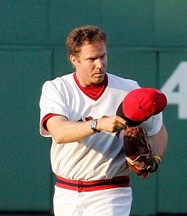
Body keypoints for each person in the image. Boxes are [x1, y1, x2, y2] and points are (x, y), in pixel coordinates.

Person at [39, 25, 168, 216]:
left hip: (110, 192)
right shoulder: (57, 88)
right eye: (91, 59)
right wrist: (97, 124)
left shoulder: (129, 91)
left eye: (103, 56)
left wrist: (155, 159)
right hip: (66, 192)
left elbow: (158, 131)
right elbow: (58, 132)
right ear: (74, 60)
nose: (99, 64)